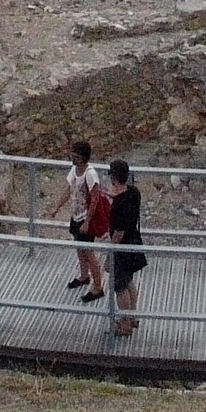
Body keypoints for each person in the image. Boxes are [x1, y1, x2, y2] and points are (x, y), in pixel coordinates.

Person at [45, 141, 106, 300]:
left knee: (89, 252)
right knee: (80, 249)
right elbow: (69, 189)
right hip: (76, 216)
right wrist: (57, 207)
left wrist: (87, 222)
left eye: (76, 156)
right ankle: (84, 276)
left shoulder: (90, 174)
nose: (73, 158)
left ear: (83, 158)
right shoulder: (75, 170)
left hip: (85, 218)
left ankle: (98, 287)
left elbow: (95, 199)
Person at [105, 158, 146, 336]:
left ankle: (125, 324)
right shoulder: (134, 193)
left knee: (120, 287)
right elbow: (122, 196)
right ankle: (132, 316)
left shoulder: (120, 204)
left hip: (121, 248)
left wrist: (109, 255)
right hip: (134, 243)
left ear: (114, 178)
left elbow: (118, 233)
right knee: (129, 282)